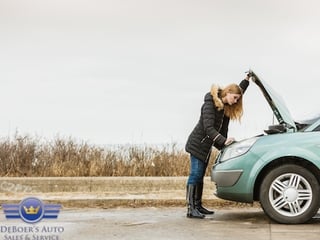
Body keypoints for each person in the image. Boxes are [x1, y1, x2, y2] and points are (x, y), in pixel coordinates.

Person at [185, 73, 251, 219]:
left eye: (237, 99)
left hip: (206, 146)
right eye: (234, 98)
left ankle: (198, 206)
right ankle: (191, 209)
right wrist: (223, 140)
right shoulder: (210, 104)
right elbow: (208, 128)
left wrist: (246, 81)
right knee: (195, 174)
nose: (235, 102)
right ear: (227, 93)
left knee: (200, 176)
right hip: (197, 144)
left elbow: (239, 90)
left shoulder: (225, 105)